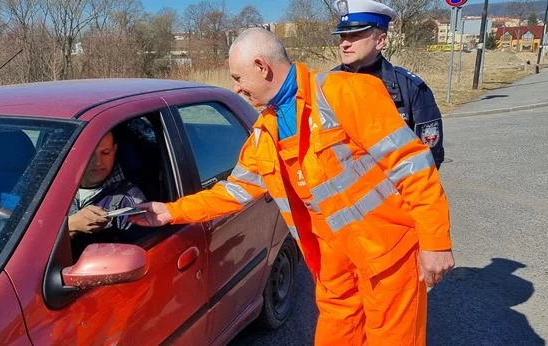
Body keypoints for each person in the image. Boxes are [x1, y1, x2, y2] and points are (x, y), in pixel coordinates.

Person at [132, 28, 454, 345]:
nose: (237, 88)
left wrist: (435, 242)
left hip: (389, 258)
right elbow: (231, 193)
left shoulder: (344, 92)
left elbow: (412, 164)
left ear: (262, 67)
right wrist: (169, 211)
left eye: (238, 77)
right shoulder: (264, 135)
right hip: (334, 268)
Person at [331, 0, 445, 168]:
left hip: (397, 191)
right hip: (344, 192)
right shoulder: (325, 85)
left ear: (380, 41)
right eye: (342, 36)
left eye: (355, 35)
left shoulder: (411, 88)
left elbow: (430, 157)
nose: (345, 44)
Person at [67, 130, 146, 244]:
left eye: (105, 152)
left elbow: (138, 255)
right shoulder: (50, 189)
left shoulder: (128, 200)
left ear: (115, 150)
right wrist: (71, 225)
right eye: (90, 154)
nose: (98, 162)